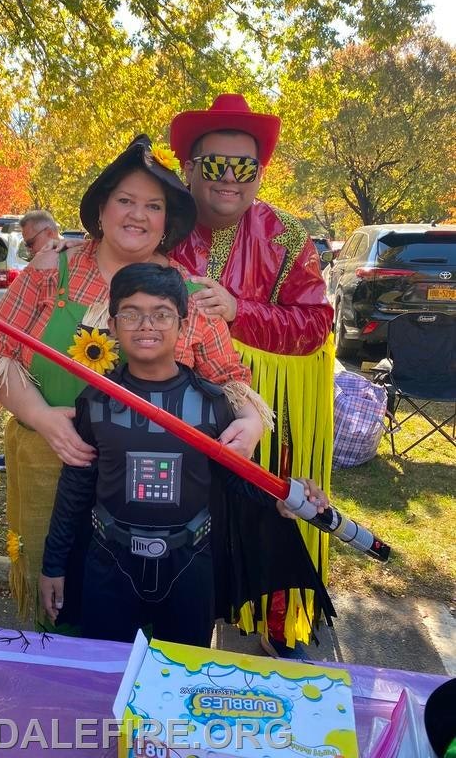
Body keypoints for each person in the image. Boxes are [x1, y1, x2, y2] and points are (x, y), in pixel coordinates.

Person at [0, 135, 271, 626]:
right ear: (101, 210)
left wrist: (252, 423)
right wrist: (42, 417)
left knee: (160, 632)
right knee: (63, 619)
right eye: (126, 200)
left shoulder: (190, 295)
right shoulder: (46, 274)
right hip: (49, 470)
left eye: (153, 206)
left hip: (156, 498)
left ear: (167, 221)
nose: (138, 215)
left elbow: (231, 380)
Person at [40, 264, 332, 647]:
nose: (146, 325)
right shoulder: (95, 401)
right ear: (112, 325)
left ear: (182, 324)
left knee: (183, 676)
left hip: (190, 568)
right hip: (109, 566)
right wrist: (53, 565)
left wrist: (281, 496)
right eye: (131, 314)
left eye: (161, 314)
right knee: (108, 673)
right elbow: (75, 486)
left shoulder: (212, 403)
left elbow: (235, 478)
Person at [169, 94, 334, 657]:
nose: (230, 178)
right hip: (176, 396)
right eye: (216, 164)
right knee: (180, 505)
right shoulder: (162, 223)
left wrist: (240, 311)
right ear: (189, 169)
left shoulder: (285, 235)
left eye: (245, 167)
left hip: (268, 402)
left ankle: (277, 621)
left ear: (260, 174)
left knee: (272, 507)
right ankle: (179, 612)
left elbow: (315, 324)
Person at [0, 210, 61, 472]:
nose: (29, 251)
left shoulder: (68, 265)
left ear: (50, 233)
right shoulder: (39, 268)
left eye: (31, 243)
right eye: (26, 245)